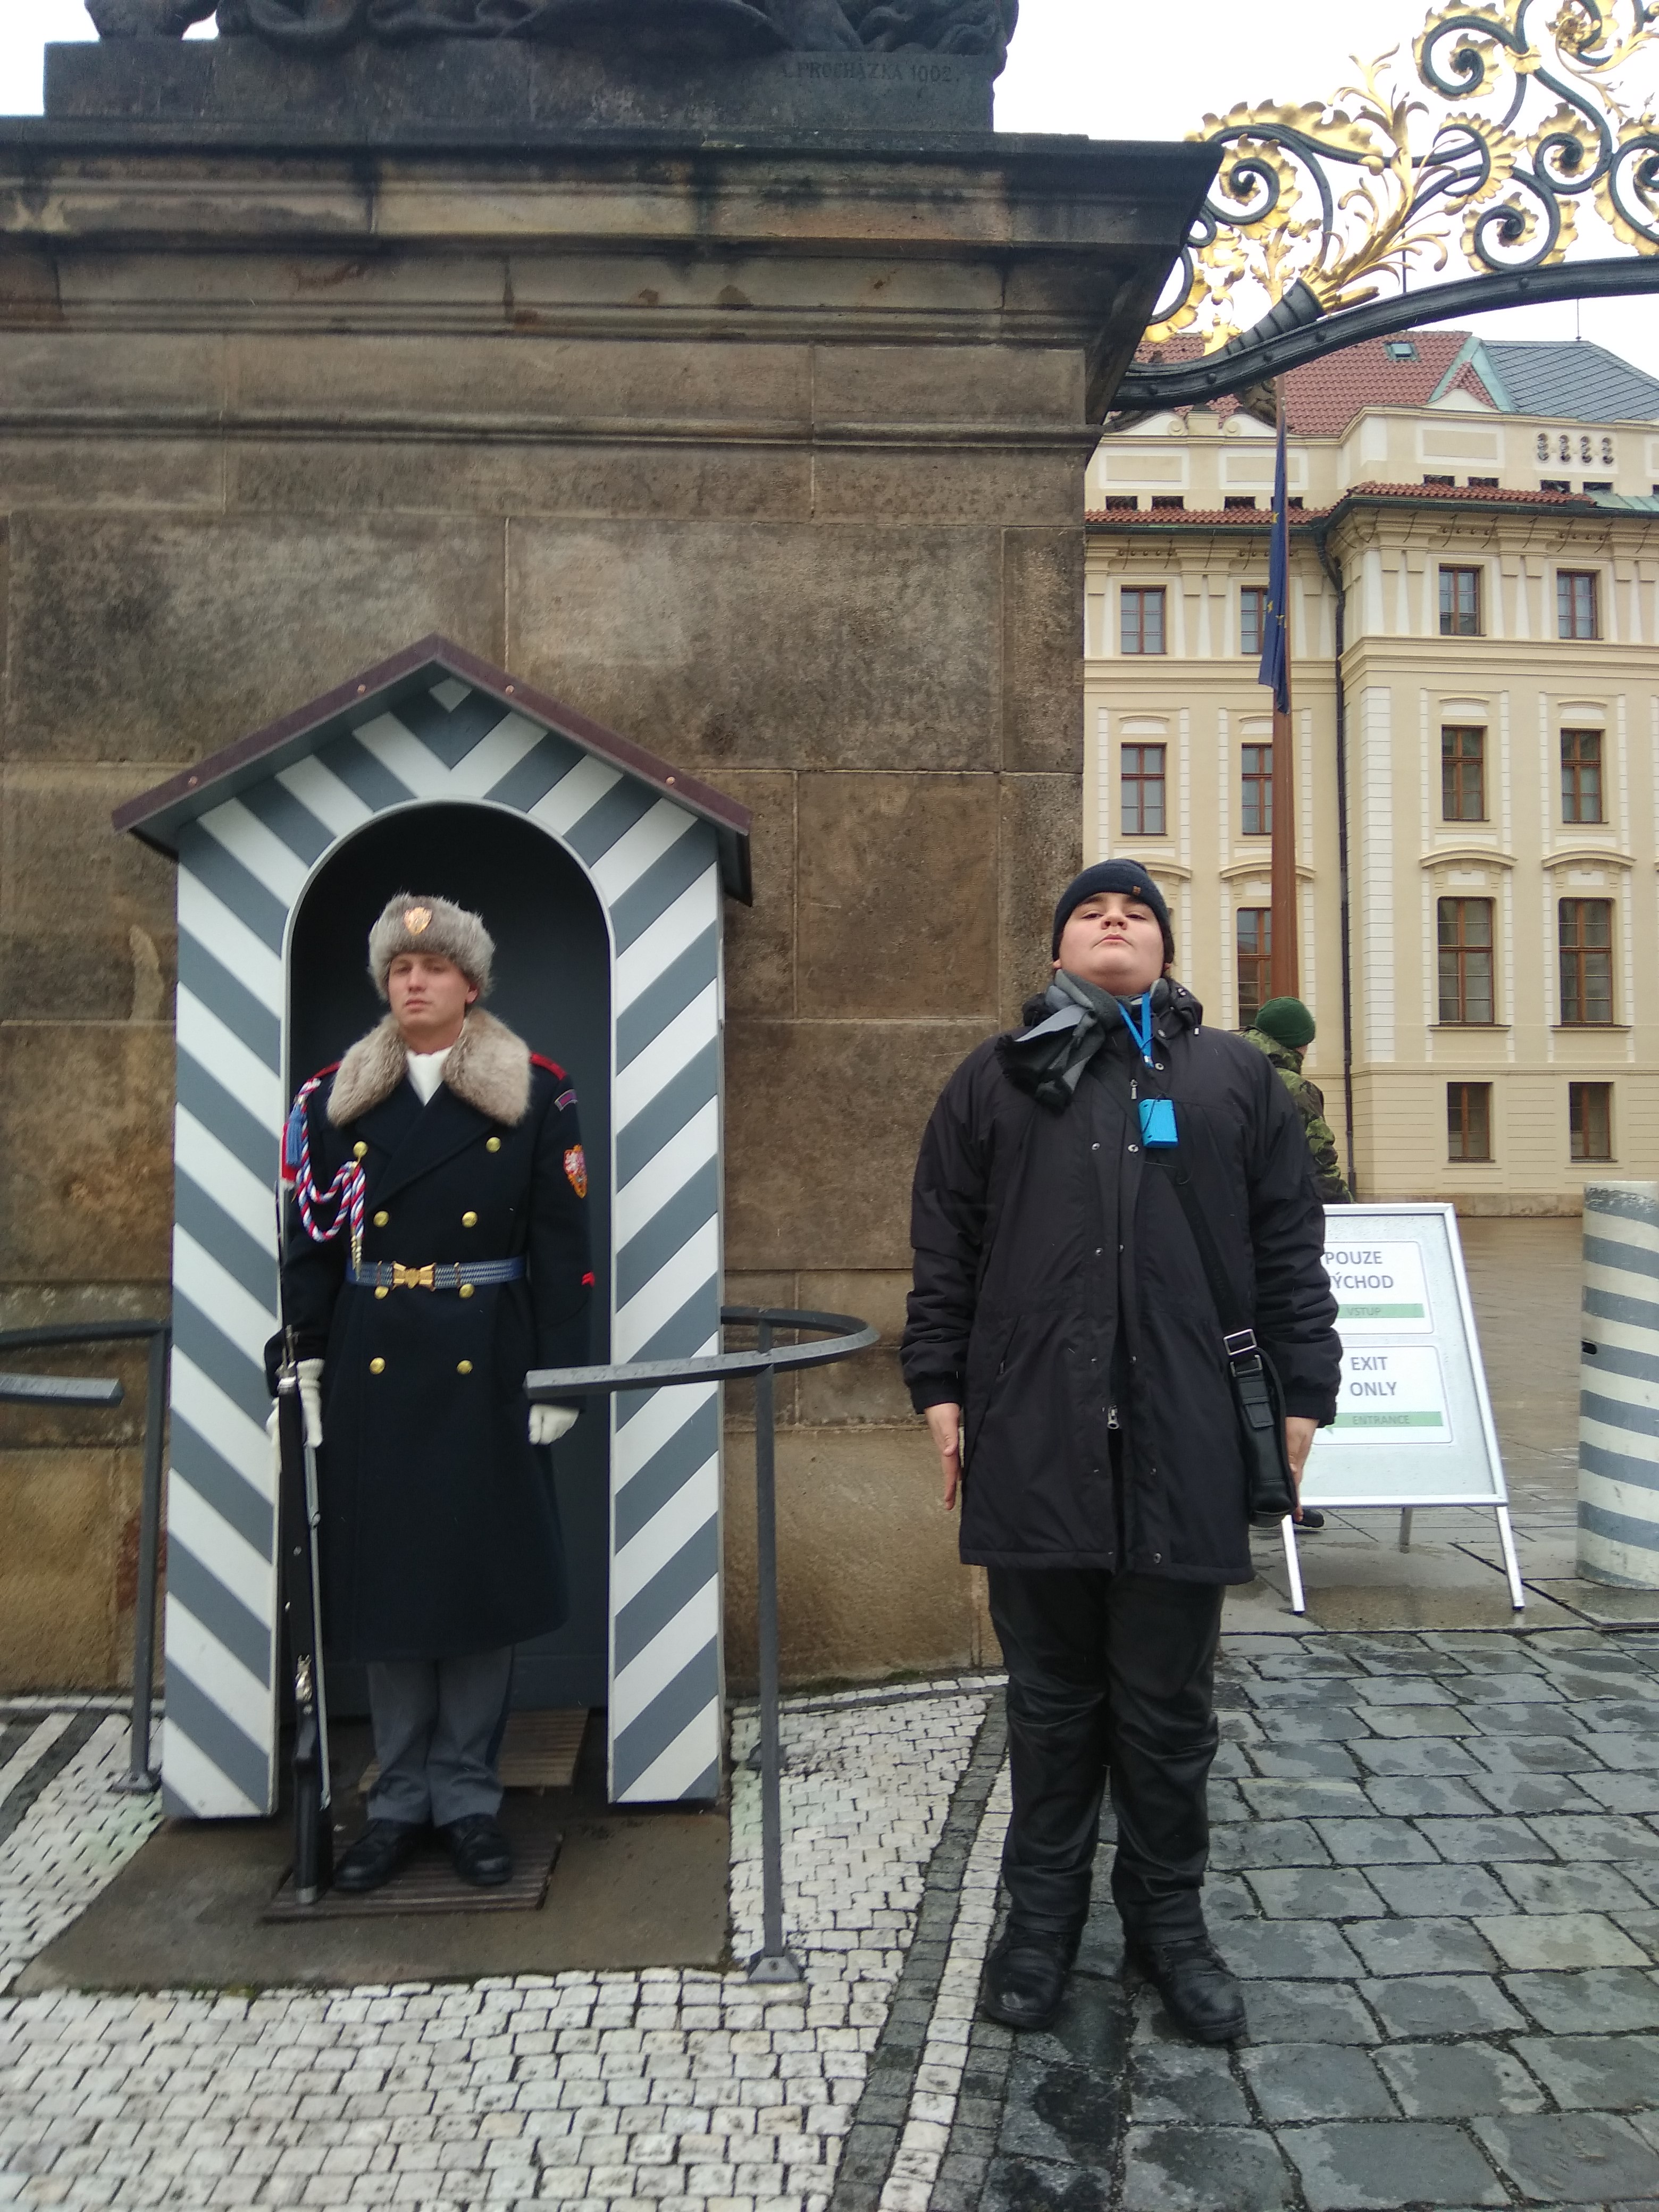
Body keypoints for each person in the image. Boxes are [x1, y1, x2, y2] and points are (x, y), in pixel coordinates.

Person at [901, 860, 1340, 2044]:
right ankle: (1040, 1925)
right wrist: (939, 1385)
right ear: (1057, 951)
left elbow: (1290, 1242)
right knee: (1049, 1708)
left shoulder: (1233, 1076)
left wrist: (1306, 1390)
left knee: (1166, 1711)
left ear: (1164, 950)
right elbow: (945, 1242)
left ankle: (1168, 1927)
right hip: (1035, 1431)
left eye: (1136, 913)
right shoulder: (998, 1078)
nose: (1114, 923)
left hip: (1183, 1435)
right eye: (1091, 913)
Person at [267, 894, 592, 1893]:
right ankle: (398, 1801)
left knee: (477, 1585)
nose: (415, 982)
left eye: (436, 968)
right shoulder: (336, 1096)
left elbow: (562, 1246)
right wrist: (307, 1353)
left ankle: (468, 1799)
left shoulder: (535, 1090)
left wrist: (557, 1373)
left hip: (485, 1358)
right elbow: (312, 1240)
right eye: (401, 970)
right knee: (392, 1589)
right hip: (375, 1358)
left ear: (471, 985)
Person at [1244, 997, 1353, 1206]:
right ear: (1301, 1044)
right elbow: (1318, 1161)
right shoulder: (1293, 1088)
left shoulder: (1234, 1070)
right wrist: (1347, 1210)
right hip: (1276, 1210)